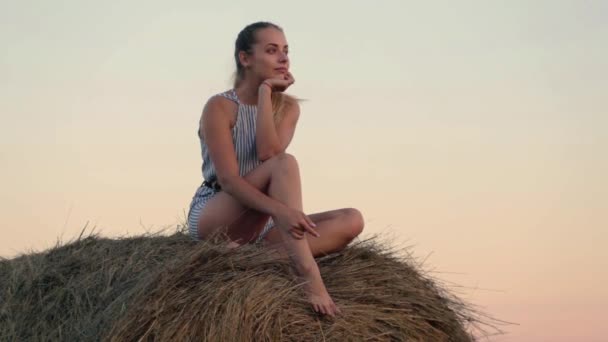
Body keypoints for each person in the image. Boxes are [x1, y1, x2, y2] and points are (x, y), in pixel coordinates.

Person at [186, 21, 365, 317]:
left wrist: (266, 95)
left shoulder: (289, 108)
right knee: (286, 163)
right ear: (245, 58)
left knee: (352, 220)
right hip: (218, 212)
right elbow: (230, 180)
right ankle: (305, 269)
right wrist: (281, 211)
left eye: (285, 51)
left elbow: (267, 151)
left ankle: (250, 258)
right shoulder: (219, 107)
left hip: (263, 224)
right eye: (272, 51)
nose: (283, 58)